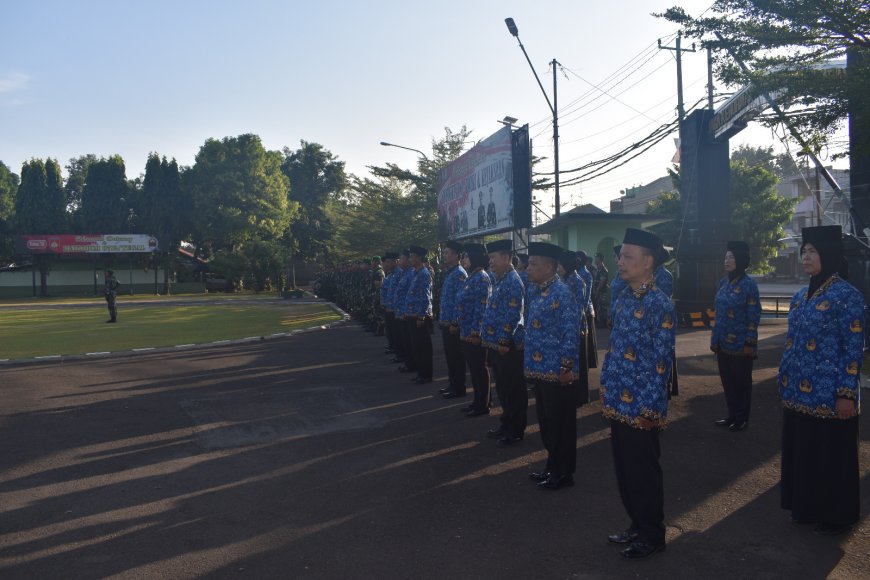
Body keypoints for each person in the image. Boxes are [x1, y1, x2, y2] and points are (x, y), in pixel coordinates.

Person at [778, 225, 864, 536]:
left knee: (832, 458)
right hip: (799, 394)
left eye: (812, 252)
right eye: (804, 252)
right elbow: (792, 342)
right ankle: (807, 508)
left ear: (828, 254)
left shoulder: (847, 296)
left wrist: (846, 393)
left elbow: (853, 349)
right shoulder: (801, 296)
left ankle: (836, 516)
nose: (806, 257)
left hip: (830, 395)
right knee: (804, 454)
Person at [601, 228, 676, 560]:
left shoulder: (659, 304)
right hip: (619, 399)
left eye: (628, 256)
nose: (621, 261)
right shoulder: (624, 298)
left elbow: (662, 364)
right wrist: (606, 386)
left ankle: (652, 533)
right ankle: (636, 524)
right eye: (620, 256)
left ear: (648, 262)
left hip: (642, 406)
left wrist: (650, 409)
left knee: (644, 471)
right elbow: (615, 349)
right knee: (625, 469)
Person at [526, 243, 582, 490]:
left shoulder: (562, 293)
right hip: (540, 369)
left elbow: (570, 333)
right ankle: (552, 466)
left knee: (561, 424)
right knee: (548, 423)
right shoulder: (539, 291)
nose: (528, 268)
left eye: (533, 264)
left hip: (556, 371)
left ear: (549, 266)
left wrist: (566, 367)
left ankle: (564, 471)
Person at [711, 241, 761, 432]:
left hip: (741, 345)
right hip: (722, 343)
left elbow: (753, 316)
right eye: (726, 257)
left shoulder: (749, 285)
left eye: (731, 257)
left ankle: (742, 418)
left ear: (740, 260)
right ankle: (732, 415)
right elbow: (718, 313)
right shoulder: (723, 282)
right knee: (728, 382)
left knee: (741, 383)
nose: (727, 260)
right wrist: (714, 340)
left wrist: (750, 342)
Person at [481, 239, 526, 445]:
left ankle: (515, 429)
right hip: (497, 344)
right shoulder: (499, 279)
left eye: (493, 258)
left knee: (513, 388)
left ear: (507, 258)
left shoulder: (513, 281)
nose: (490, 262)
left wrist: (504, 340)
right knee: (503, 387)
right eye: (489, 258)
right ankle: (506, 423)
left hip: (507, 345)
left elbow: (513, 313)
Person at [458, 243, 493, 416]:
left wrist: (475, 332)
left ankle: (483, 405)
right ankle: (477, 401)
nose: (463, 259)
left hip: (474, 333)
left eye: (465, 256)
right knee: (474, 369)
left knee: (479, 369)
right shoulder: (473, 276)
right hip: (466, 330)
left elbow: (482, 307)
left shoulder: (482, 278)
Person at [438, 241, 468, 399]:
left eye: (447, 252)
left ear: (456, 256)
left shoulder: (460, 274)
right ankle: (452, 384)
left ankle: (459, 387)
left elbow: (460, 301)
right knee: (450, 356)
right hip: (446, 321)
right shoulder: (450, 272)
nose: (445, 255)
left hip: (453, 324)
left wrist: (456, 322)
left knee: (457, 357)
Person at [405, 245, 434, 384]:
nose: (410, 259)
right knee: (417, 346)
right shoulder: (416, 273)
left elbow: (425, 297)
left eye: (411, 256)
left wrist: (422, 316)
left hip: (419, 316)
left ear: (418, 257)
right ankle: (421, 373)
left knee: (423, 347)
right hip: (412, 314)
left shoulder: (423, 274)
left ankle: (426, 374)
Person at [593, 252, 610, 329]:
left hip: (601, 292)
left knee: (602, 308)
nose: (595, 260)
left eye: (596, 258)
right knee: (598, 307)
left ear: (600, 259)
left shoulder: (603, 270)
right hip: (597, 291)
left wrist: (597, 292)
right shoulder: (598, 269)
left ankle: (603, 324)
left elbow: (601, 282)